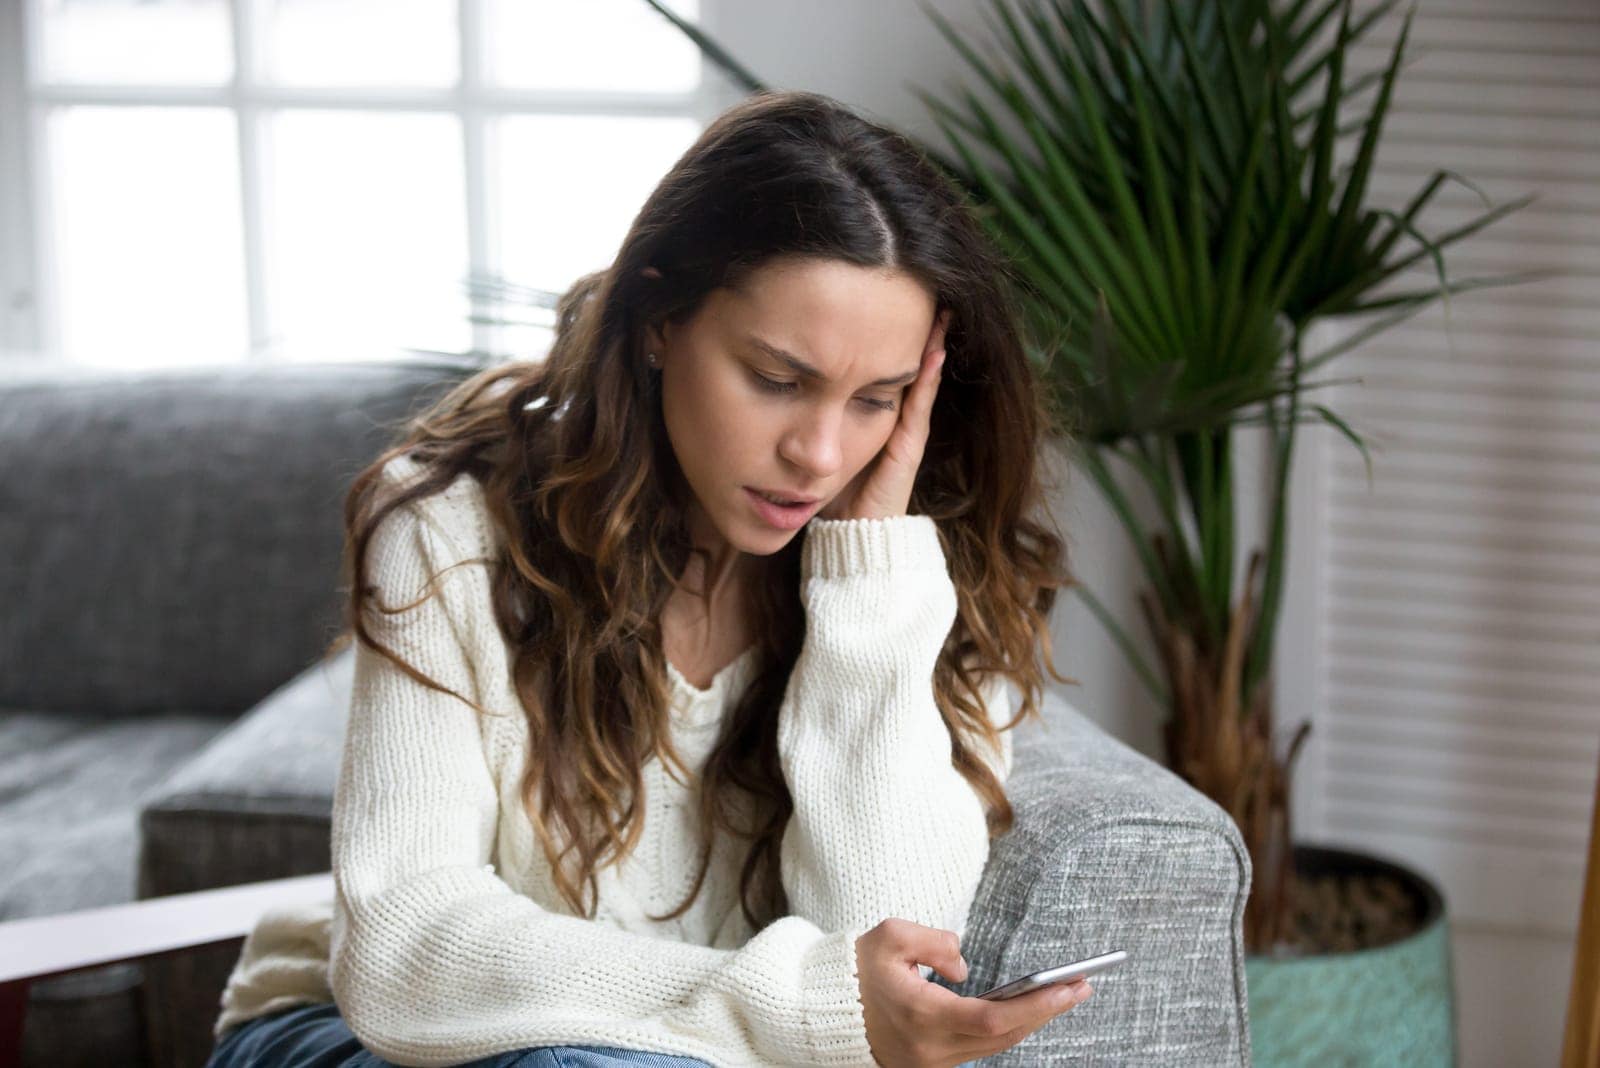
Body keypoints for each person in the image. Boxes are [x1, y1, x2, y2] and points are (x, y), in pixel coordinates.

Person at [204, 88, 1089, 1068]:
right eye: (776, 380)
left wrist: (866, 577)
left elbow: (891, 959)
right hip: (355, 1032)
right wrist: (795, 1006)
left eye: (876, 401)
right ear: (662, 317)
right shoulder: (452, 524)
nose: (819, 452)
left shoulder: (917, 577)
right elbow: (407, 950)